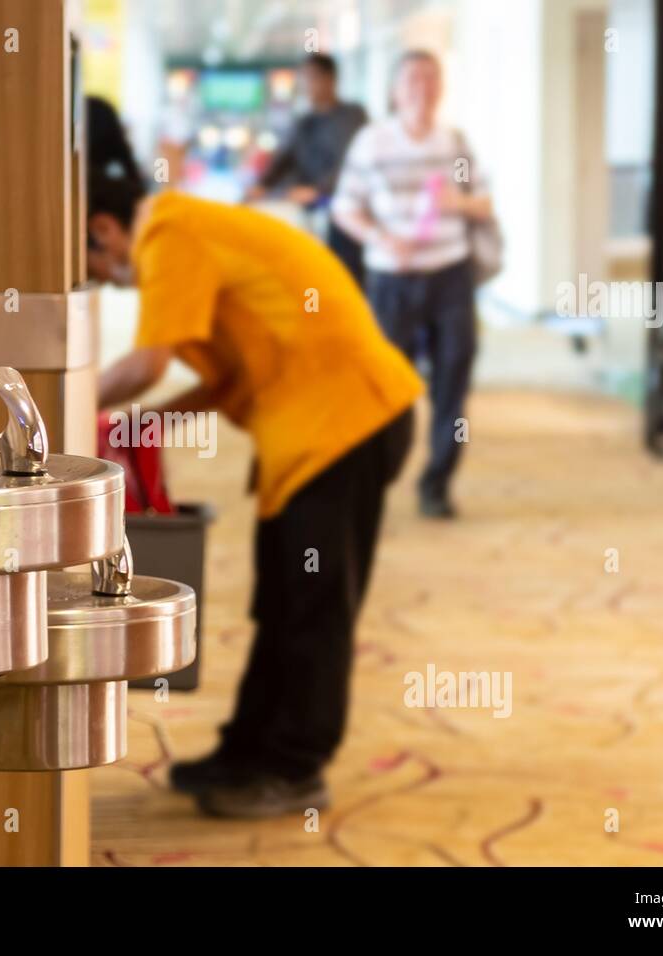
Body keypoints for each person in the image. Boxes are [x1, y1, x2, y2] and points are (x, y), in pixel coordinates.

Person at [89, 162, 423, 819]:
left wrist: (60, 406)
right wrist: (134, 427)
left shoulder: (168, 233)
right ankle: (246, 752)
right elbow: (221, 380)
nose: (101, 279)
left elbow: (145, 364)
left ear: (103, 228)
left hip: (346, 423)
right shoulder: (189, 229)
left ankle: (296, 770)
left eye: (89, 265)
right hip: (313, 430)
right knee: (282, 598)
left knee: (313, 607)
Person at [332, 50, 494, 519]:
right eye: (411, 79)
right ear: (395, 90)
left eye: (430, 78)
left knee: (453, 380)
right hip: (391, 279)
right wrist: (381, 236)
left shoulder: (454, 143)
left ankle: (437, 483)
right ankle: (375, 476)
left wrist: (456, 202)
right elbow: (345, 208)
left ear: (440, 87)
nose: (421, 87)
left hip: (450, 275)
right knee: (385, 384)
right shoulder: (373, 142)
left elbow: (484, 203)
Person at [247, 53, 368, 287]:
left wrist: (318, 191)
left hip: (343, 209)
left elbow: (351, 164)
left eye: (312, 79)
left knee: (341, 275)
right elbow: (283, 158)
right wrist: (261, 186)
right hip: (308, 209)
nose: (306, 86)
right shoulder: (304, 121)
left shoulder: (353, 116)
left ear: (330, 79)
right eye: (303, 80)